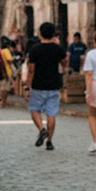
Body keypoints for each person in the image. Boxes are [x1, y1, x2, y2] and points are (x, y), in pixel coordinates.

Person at [24, 22, 67, 151]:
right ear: (53, 34)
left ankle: (42, 129)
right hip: (54, 85)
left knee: (34, 109)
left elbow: (31, 70)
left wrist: (27, 87)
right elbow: (65, 64)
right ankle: (49, 141)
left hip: (38, 85)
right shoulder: (58, 49)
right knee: (51, 113)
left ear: (40, 34)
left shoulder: (34, 50)